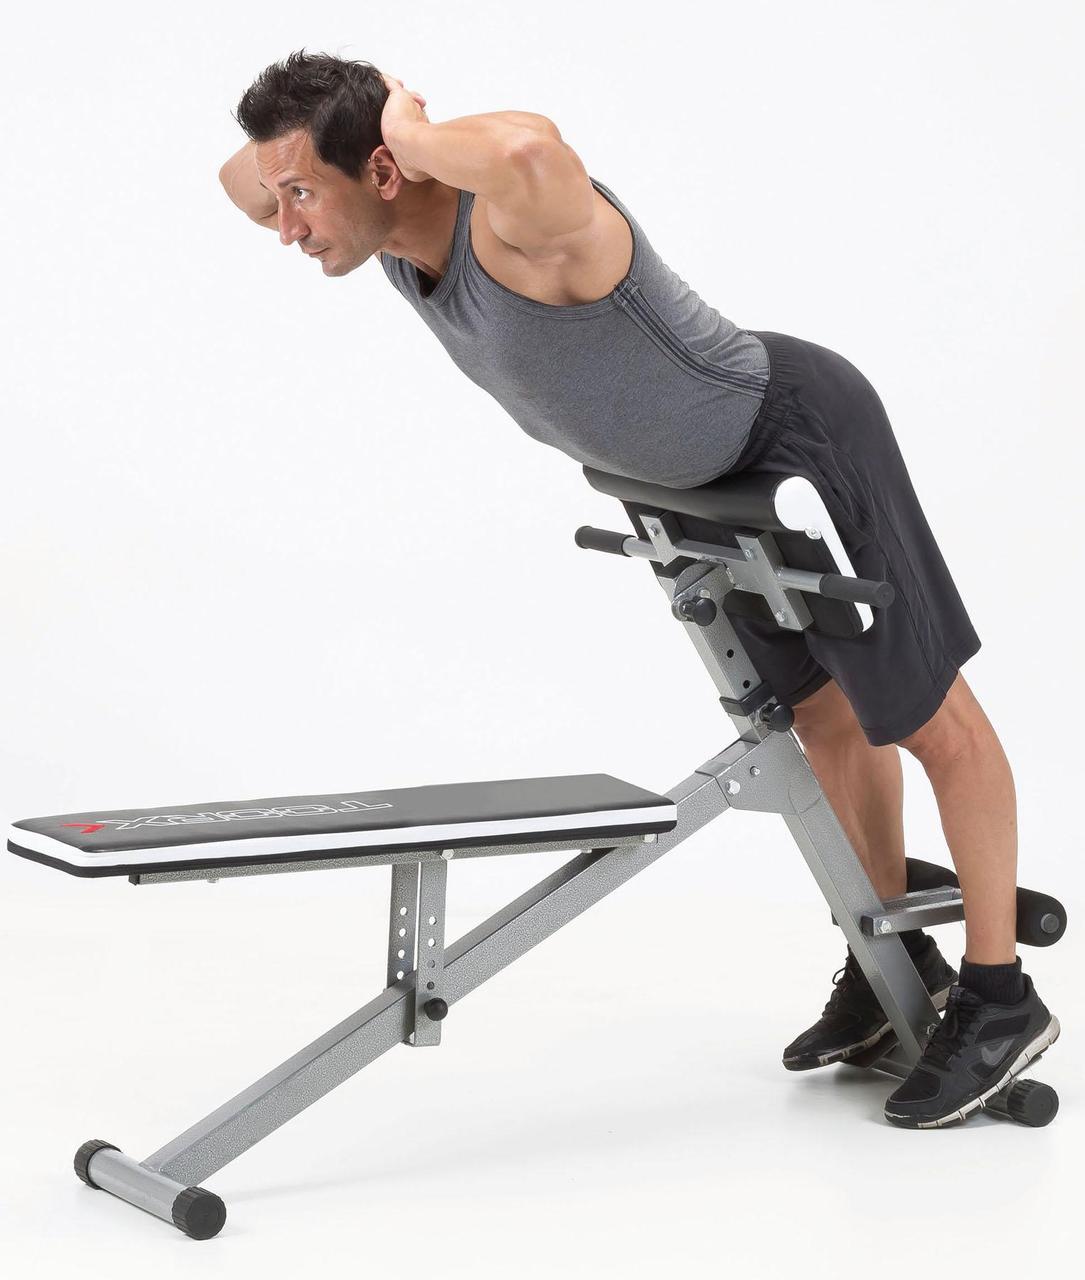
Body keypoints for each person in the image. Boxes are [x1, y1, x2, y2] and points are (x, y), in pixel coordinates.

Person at [218, 51, 1059, 1128]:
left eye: (301, 195)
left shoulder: (517, 230)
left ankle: (997, 995)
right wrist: (333, 128)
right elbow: (239, 182)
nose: (283, 226)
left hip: (793, 439)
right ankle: (888, 954)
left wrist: (408, 129)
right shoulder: (385, 239)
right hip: (694, 486)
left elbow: (529, 146)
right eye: (284, 196)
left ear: (383, 172)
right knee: (821, 717)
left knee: (926, 714)